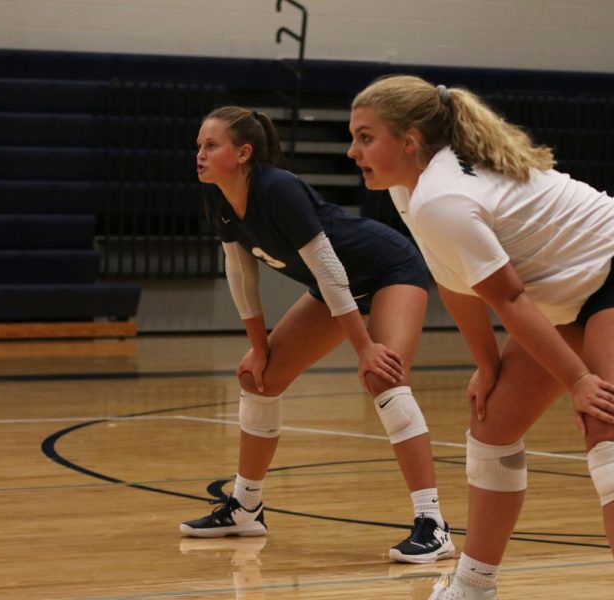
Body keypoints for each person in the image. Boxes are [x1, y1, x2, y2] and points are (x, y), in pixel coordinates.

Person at [348, 76, 614, 599]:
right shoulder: (409, 187)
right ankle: (474, 586)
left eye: (366, 137)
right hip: (561, 292)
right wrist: (488, 367)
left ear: (410, 140)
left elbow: (508, 299)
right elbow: (457, 282)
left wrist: (578, 380)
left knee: (608, 429)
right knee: (493, 424)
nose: (353, 151)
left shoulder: (441, 196)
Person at [178, 106, 455, 565]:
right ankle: (246, 508)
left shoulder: (278, 189)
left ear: (244, 152)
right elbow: (241, 275)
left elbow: (328, 269)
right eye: (199, 147)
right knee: (259, 380)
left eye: (211, 146)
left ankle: (434, 524)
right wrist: (260, 349)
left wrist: (365, 348)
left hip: (388, 270)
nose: (200, 155)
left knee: (385, 378)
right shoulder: (222, 198)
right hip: (336, 287)